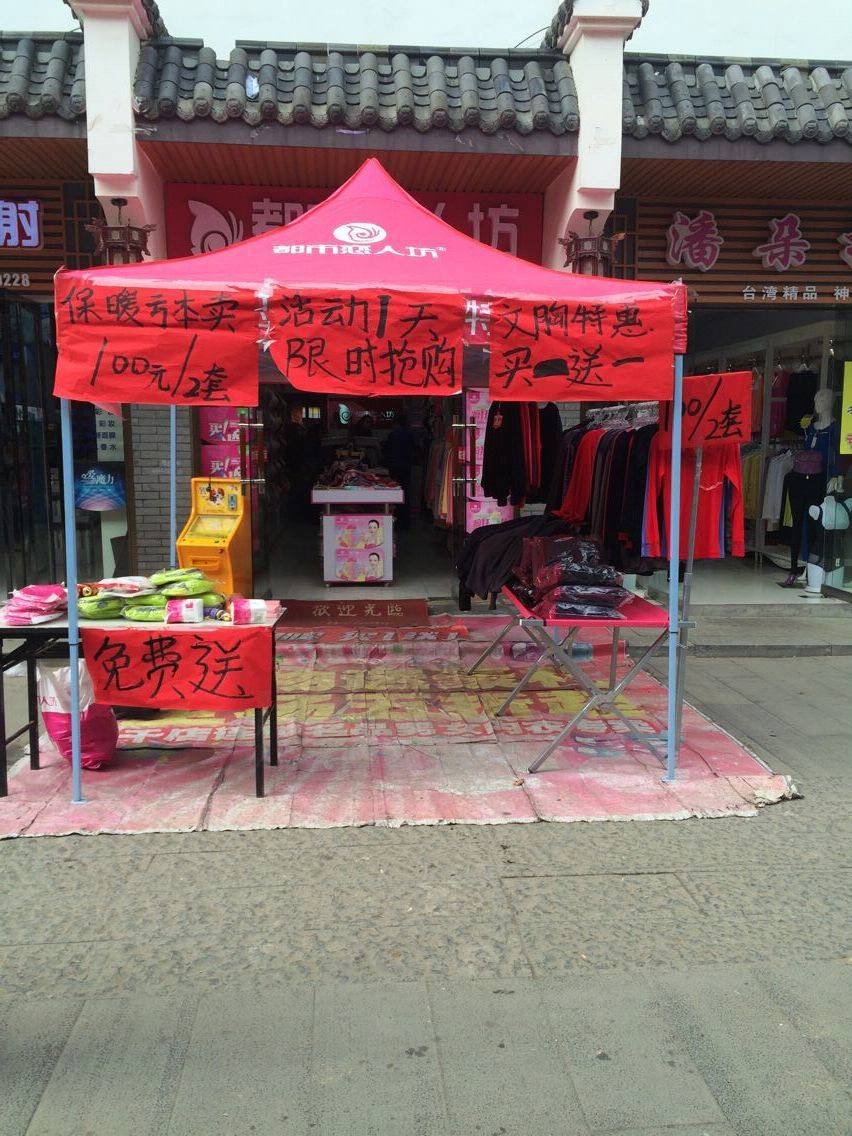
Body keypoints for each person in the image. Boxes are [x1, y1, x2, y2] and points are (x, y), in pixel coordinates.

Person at [383, 412, 417, 529]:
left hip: (394, 467)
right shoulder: (409, 434)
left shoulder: (392, 435)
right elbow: (413, 451)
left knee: (394, 491)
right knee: (405, 492)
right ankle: (405, 521)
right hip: (405, 467)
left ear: (395, 423)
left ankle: (396, 519)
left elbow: (387, 452)